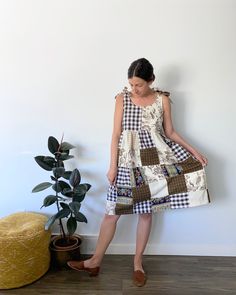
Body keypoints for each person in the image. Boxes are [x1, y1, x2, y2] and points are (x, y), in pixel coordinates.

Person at [67, 58, 210, 287]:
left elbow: (170, 132)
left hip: (154, 163)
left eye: (139, 85)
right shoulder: (122, 98)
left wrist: (195, 152)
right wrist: (112, 166)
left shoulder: (162, 100)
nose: (134, 89)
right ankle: (95, 260)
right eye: (131, 84)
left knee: (146, 213)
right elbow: (115, 135)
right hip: (126, 163)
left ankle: (137, 263)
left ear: (151, 80)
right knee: (112, 213)